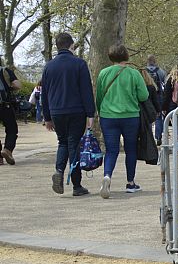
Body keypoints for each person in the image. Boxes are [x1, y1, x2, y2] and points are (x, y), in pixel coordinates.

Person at [41, 32, 97, 195]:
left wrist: (47, 117)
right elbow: (86, 90)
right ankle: (76, 185)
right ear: (71, 45)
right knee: (74, 144)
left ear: (57, 46)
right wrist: (90, 113)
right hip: (76, 110)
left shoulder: (48, 66)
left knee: (63, 142)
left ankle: (59, 170)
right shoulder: (79, 64)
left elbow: (44, 94)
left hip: (56, 111)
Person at [95, 44, 150, 198]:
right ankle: (130, 182)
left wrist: (100, 111)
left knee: (111, 150)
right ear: (126, 56)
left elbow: (99, 96)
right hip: (130, 116)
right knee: (130, 149)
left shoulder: (103, 73)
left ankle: (107, 176)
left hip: (108, 116)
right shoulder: (134, 74)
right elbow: (143, 96)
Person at [0, 56, 21, 165]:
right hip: (4, 105)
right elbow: (17, 85)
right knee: (12, 128)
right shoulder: (4, 71)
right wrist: (10, 87)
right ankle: (7, 149)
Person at [145, 55, 167, 144]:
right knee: (158, 117)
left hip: (146, 97)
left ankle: (149, 136)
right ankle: (158, 137)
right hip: (158, 96)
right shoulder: (161, 72)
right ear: (155, 61)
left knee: (148, 117)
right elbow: (164, 83)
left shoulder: (143, 72)